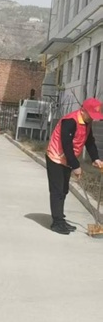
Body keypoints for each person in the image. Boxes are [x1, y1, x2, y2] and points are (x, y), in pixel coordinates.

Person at [46, 98, 103, 235]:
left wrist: (95, 158)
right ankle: (57, 223)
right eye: (91, 115)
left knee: (64, 190)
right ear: (83, 110)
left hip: (67, 159)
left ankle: (60, 218)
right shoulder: (70, 121)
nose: (92, 118)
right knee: (57, 190)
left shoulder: (86, 122)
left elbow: (89, 142)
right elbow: (66, 145)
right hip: (56, 158)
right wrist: (76, 166)